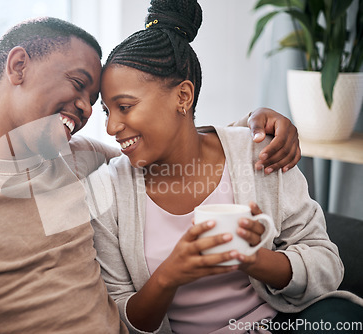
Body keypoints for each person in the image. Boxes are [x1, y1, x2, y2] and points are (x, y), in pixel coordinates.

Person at [0, 17, 300, 333]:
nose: (91, 112)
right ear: (18, 66)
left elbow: (163, 144)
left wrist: (252, 125)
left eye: (97, 101)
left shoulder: (74, 159)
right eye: (78, 84)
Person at [92, 1, 363, 333]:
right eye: (107, 111)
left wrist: (256, 260)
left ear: (183, 96)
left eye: (124, 106)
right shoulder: (108, 190)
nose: (111, 127)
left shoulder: (260, 152)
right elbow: (121, 318)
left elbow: (327, 266)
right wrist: (170, 275)